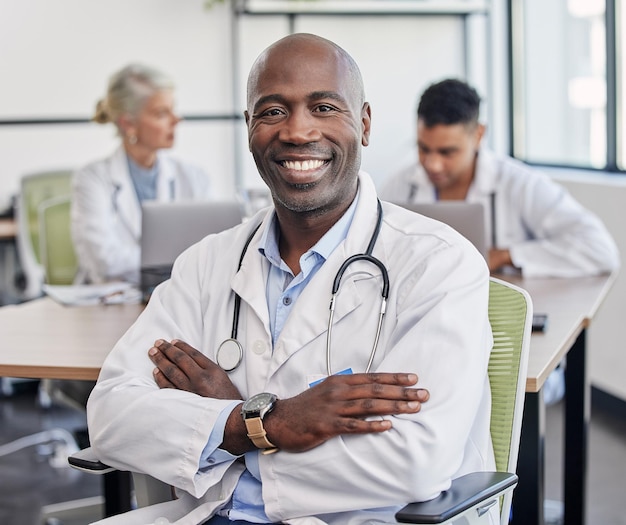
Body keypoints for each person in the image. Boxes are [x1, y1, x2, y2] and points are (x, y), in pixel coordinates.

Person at [87, 34, 496, 525]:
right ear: (249, 128)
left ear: (363, 124)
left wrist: (225, 430)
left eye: (324, 107)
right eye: (273, 111)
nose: (298, 132)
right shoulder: (206, 263)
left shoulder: (439, 263)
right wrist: (262, 422)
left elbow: (415, 461)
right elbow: (111, 416)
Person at [379, 78, 620, 278]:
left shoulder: (520, 184)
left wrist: (506, 255)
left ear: (479, 135)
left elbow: (600, 250)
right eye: (423, 148)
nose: (432, 164)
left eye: (447, 152)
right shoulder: (400, 186)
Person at [71, 63, 212, 286]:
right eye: (161, 113)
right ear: (128, 123)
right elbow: (104, 262)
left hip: (175, 299)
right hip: (109, 305)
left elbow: (209, 253)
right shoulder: (92, 179)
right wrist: (178, 263)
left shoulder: (193, 177)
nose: (176, 120)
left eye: (173, 109)